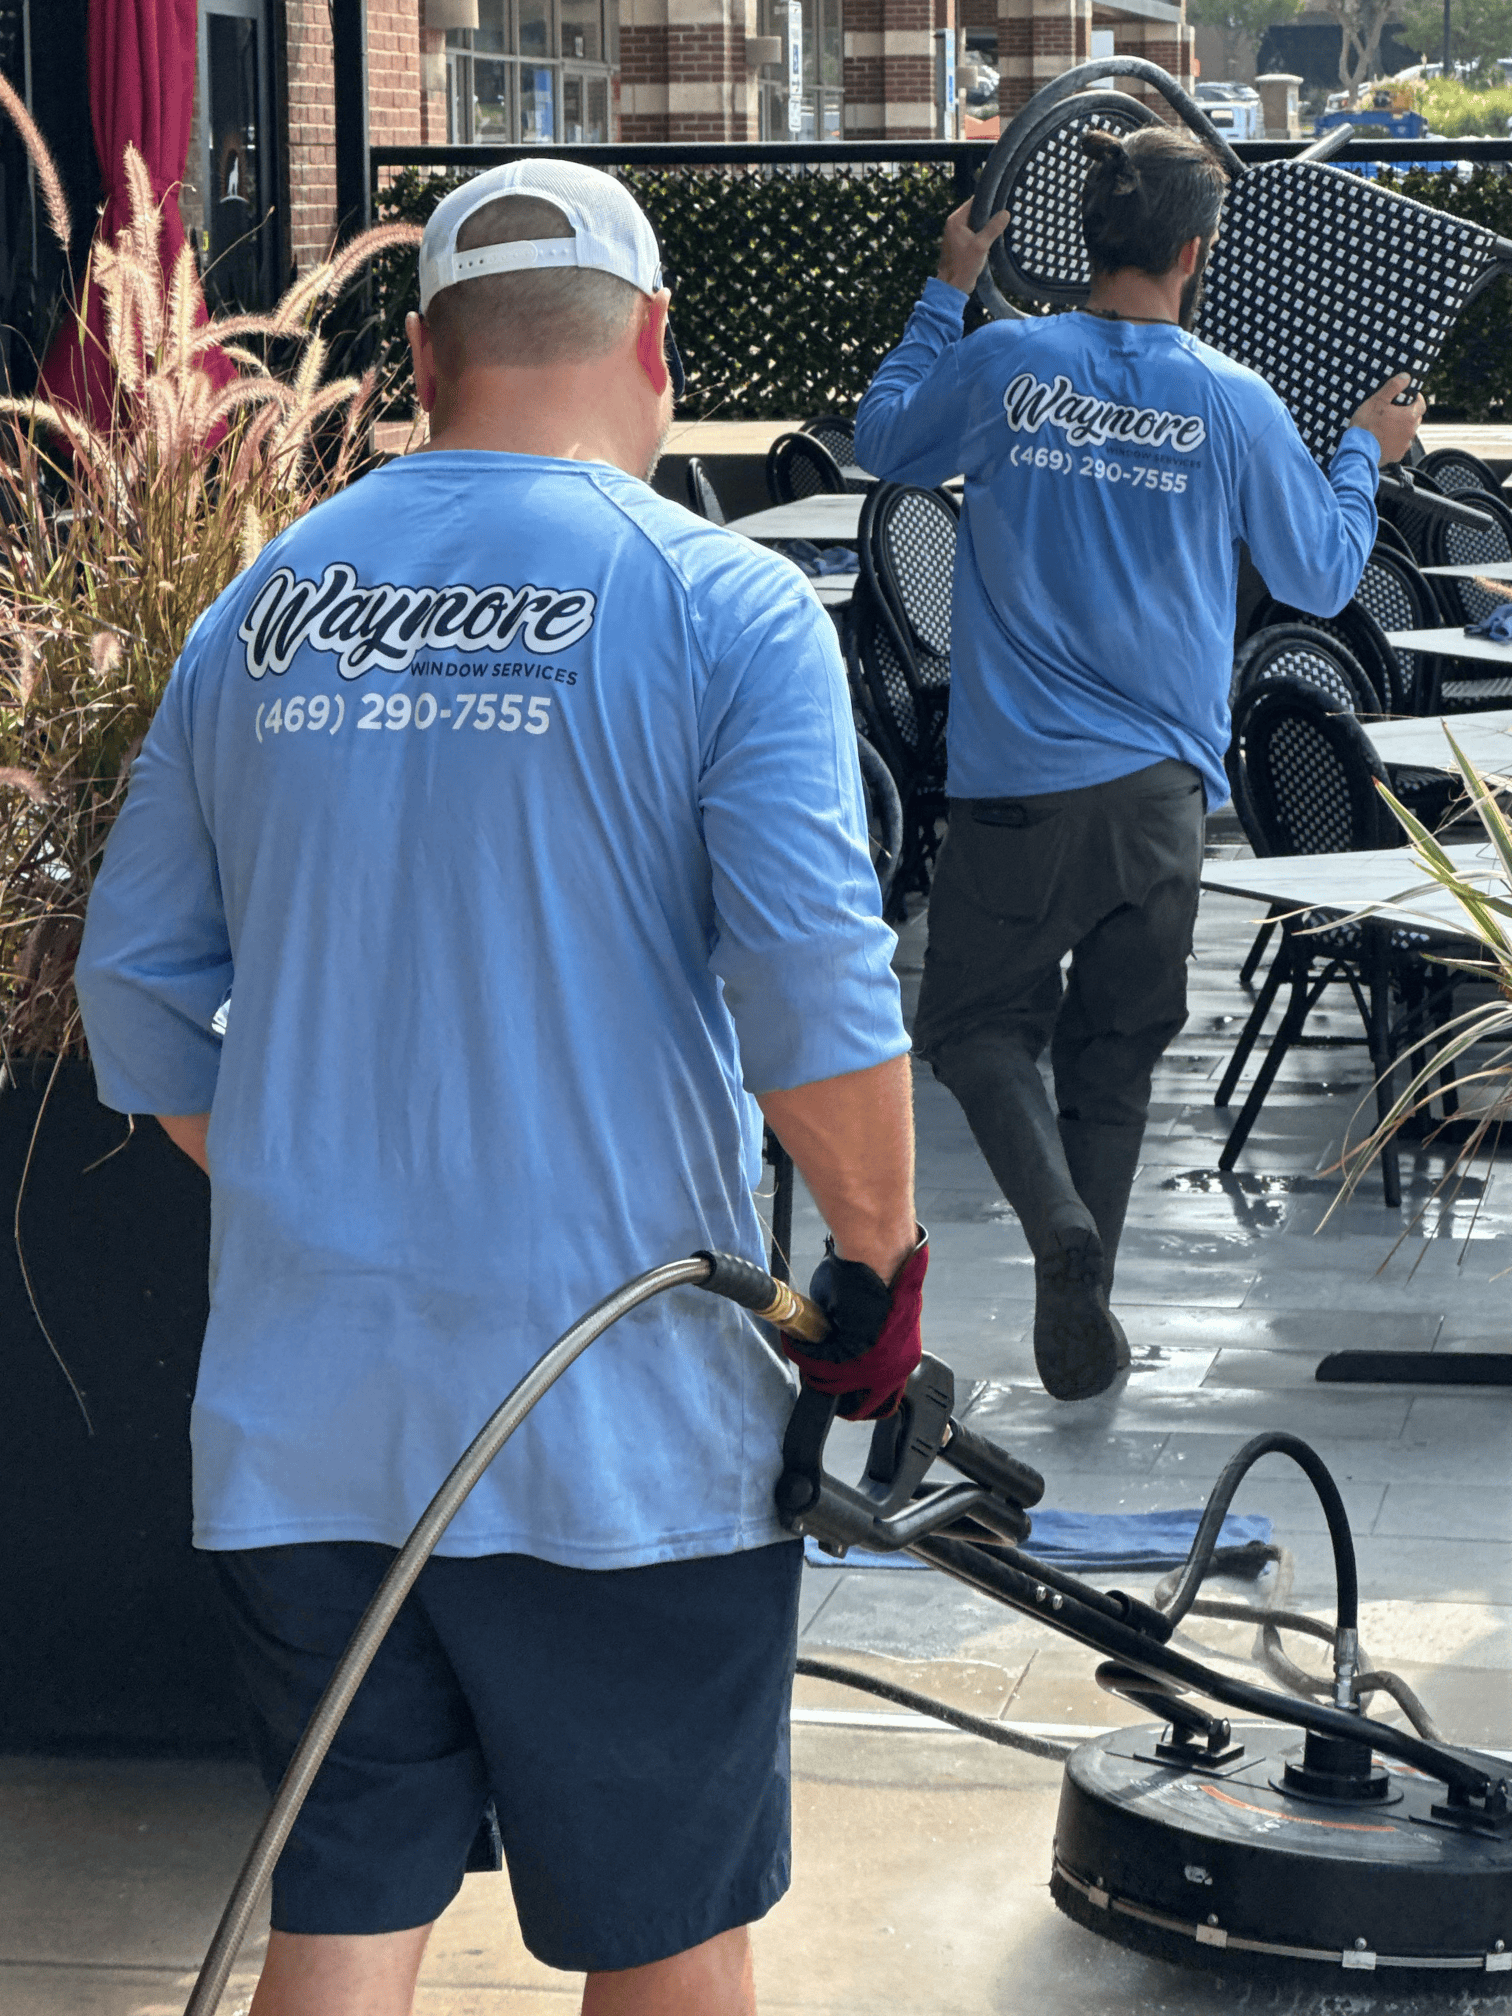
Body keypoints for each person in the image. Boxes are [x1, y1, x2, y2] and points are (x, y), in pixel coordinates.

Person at [74, 160, 925, 2016]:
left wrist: (313, 1180)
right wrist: (876, 1271)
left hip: (306, 1424)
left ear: (421, 356)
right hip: (620, 1435)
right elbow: (812, 985)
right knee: (665, 1931)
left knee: (344, 1915)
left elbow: (133, 993)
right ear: (655, 341)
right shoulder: (720, 602)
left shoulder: (257, 614)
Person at [854, 125, 1423, 1404]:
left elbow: (884, 441)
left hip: (1015, 791)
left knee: (971, 1028)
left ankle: (1059, 1231)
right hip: (1161, 805)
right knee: (1113, 1059)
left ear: (1084, 237)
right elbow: (1324, 573)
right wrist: (1362, 455)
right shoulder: (1234, 399)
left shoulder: (1005, 361)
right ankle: (1085, 1305)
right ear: (1193, 253)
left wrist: (949, 289)